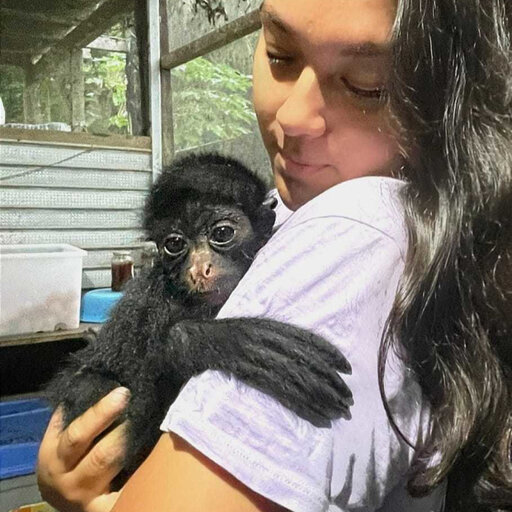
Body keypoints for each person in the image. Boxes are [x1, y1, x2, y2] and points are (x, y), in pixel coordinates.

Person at [37, 0, 512, 510]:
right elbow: (113, 380)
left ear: (452, 103)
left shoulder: (356, 228)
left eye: (367, 85)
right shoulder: (286, 212)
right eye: (280, 55)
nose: (292, 117)